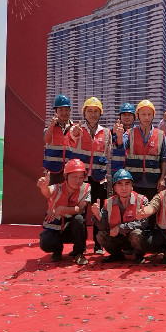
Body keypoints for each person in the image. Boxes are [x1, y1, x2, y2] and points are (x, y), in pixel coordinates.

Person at [68, 96, 111, 255]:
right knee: (79, 213)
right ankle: (79, 247)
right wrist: (75, 133)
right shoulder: (76, 129)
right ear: (84, 113)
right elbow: (71, 140)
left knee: (99, 212)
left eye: (96, 111)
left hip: (99, 179)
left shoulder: (106, 133)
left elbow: (108, 155)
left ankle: (98, 245)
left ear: (100, 113)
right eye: (90, 111)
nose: (93, 114)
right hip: (81, 180)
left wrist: (107, 178)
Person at [90, 169, 151, 263]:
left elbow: (143, 223)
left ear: (132, 186)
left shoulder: (142, 200)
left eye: (127, 184)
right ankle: (117, 255)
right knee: (101, 235)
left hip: (134, 238)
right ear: (115, 188)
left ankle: (139, 255)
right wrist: (97, 215)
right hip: (118, 238)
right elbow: (103, 226)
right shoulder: (109, 203)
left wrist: (120, 227)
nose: (124, 188)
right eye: (120, 184)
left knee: (137, 234)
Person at [37, 158, 90, 265]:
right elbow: (48, 192)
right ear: (66, 176)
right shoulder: (58, 188)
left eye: (81, 177)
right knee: (46, 242)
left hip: (72, 229)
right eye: (74, 177)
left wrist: (63, 209)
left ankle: (78, 253)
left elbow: (80, 209)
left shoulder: (86, 188)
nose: (78, 181)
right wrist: (44, 187)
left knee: (79, 219)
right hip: (55, 228)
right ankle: (57, 251)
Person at [116, 100, 166, 199]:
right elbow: (121, 146)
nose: (146, 118)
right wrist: (119, 136)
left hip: (153, 183)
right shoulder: (130, 133)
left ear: (153, 116)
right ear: (138, 116)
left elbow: (165, 159)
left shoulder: (160, 135)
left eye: (149, 114)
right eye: (143, 114)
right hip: (133, 182)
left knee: (151, 208)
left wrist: (162, 179)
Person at [43, 94, 73, 185]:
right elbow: (47, 140)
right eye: (61, 110)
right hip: (53, 171)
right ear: (56, 111)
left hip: (69, 171)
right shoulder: (49, 128)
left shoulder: (74, 128)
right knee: (53, 193)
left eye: (66, 109)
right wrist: (52, 126)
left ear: (70, 110)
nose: (64, 112)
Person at [109, 102, 136, 177]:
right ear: (120, 117)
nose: (127, 117)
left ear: (134, 117)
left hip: (132, 172)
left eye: (129, 115)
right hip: (114, 171)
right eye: (124, 114)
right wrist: (113, 133)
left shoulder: (138, 132)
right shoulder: (112, 131)